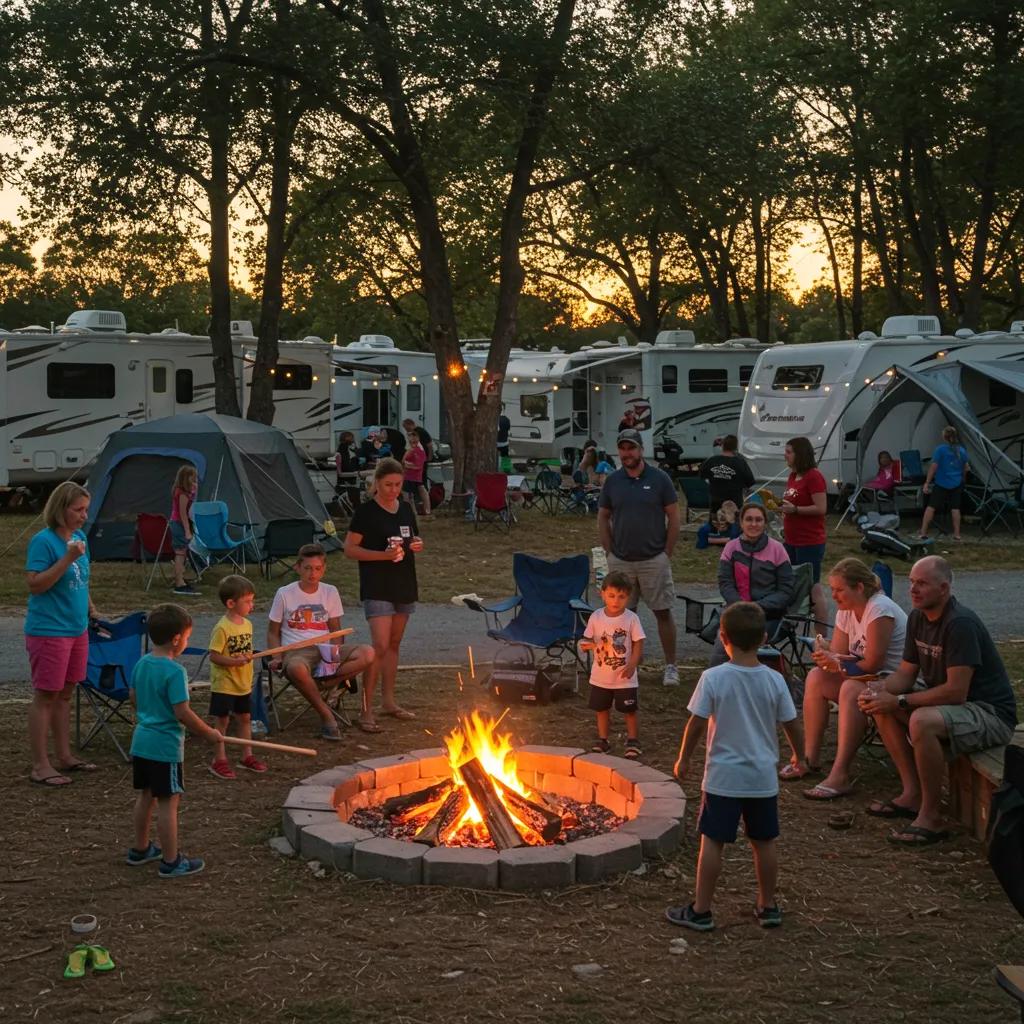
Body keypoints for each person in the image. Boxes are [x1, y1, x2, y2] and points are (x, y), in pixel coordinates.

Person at [859, 555, 1017, 844]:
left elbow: (956, 692)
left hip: (988, 712)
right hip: (953, 705)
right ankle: (911, 795)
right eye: (911, 582)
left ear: (944, 588)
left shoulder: (960, 624)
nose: (913, 590)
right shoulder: (918, 617)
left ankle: (931, 817)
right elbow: (905, 675)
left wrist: (901, 701)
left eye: (922, 584)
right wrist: (879, 689)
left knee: (920, 720)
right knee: (882, 703)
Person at [667, 602, 804, 931]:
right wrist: (801, 755)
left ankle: (701, 910)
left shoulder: (713, 678)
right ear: (765, 637)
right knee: (764, 841)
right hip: (761, 778)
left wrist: (684, 758)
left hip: (723, 778)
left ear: (722, 637)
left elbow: (697, 723)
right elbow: (792, 723)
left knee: (712, 842)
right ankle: (768, 905)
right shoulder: (774, 680)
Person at [789, 558, 907, 799]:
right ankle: (809, 758)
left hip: (893, 680)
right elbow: (840, 653)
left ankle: (840, 774)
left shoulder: (879, 609)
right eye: (832, 590)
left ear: (859, 588)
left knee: (850, 690)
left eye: (839, 589)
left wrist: (837, 661)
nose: (834, 596)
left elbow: (872, 662)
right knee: (815, 676)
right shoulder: (847, 610)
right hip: (867, 676)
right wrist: (826, 654)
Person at [127, 604, 222, 878]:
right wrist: (209, 733)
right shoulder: (174, 672)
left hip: (142, 740)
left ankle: (141, 849)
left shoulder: (142, 662)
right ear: (177, 638)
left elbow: (133, 696)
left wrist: (149, 713)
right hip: (165, 746)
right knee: (168, 802)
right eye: (188, 637)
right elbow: (182, 713)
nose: (188, 642)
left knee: (146, 795)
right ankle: (171, 861)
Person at [25, 481, 100, 787]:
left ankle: (65, 756)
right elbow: (35, 584)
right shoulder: (43, 542)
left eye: (86, 509)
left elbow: (82, 581)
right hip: (49, 629)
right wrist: (66, 559)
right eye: (78, 509)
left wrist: (92, 610)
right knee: (46, 695)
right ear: (61, 509)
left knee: (66, 693)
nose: (84, 516)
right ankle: (40, 765)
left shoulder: (80, 537)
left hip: (76, 628)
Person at [344, 458, 424, 731]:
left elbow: (411, 536)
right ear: (376, 483)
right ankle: (366, 710)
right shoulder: (366, 512)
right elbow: (350, 549)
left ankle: (389, 701)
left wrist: (416, 544)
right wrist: (382, 556)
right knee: (379, 645)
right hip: (377, 584)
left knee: (394, 643)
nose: (393, 490)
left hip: (404, 582)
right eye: (388, 484)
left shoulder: (404, 509)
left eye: (398, 485)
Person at [597, 428, 681, 686]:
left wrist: (666, 553)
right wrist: (609, 551)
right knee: (622, 615)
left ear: (641, 450)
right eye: (622, 448)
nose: (626, 453)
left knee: (663, 612)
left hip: (653, 558)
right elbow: (603, 516)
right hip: (621, 559)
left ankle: (670, 666)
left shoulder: (659, 479)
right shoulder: (613, 481)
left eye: (631, 448)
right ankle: (626, 664)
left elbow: (674, 516)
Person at [267, 544, 375, 741]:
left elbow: (336, 629)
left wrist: (332, 657)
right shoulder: (284, 593)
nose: (312, 573)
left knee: (368, 653)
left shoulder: (330, 591)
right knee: (297, 669)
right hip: (297, 651)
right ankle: (326, 716)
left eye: (317, 568)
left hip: (325, 648)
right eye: (307, 568)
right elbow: (273, 632)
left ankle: (323, 681)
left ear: (323, 569)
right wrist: (277, 657)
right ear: (297, 568)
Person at [707, 501, 793, 666]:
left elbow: (786, 590)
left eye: (758, 520)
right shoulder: (731, 548)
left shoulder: (778, 550)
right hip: (736, 610)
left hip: (768, 615)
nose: (754, 524)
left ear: (765, 523)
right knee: (721, 648)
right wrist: (741, 606)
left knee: (750, 645)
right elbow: (725, 583)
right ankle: (716, 687)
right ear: (741, 522)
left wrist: (757, 607)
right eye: (749, 519)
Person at [578, 572, 646, 759]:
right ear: (603, 594)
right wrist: (586, 645)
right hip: (601, 676)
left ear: (628, 597)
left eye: (621, 597)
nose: (616, 601)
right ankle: (603, 739)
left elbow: (639, 641)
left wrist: (633, 662)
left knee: (629, 709)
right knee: (601, 708)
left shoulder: (631, 619)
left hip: (625, 677)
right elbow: (587, 639)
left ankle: (633, 740)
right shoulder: (596, 617)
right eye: (612, 595)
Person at [207, 575, 263, 780]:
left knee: (245, 718)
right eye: (247, 601)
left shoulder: (247, 624)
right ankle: (219, 760)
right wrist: (234, 662)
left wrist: (245, 660)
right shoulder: (222, 628)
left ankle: (247, 755)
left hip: (242, 682)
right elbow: (214, 656)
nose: (252, 605)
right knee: (222, 720)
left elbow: (245, 651)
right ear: (231, 603)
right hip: (224, 684)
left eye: (252, 600)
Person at [780, 436, 828, 630]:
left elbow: (821, 508)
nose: (785, 455)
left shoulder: (814, 476)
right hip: (791, 539)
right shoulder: (793, 476)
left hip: (809, 541)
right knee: (789, 582)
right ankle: (789, 624)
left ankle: (821, 637)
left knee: (813, 587)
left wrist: (796, 510)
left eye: (789, 451)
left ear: (800, 454)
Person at [919, 426, 970, 542]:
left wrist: (927, 482)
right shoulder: (961, 450)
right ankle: (957, 534)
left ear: (944, 437)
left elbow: (934, 467)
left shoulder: (940, 450)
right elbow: (966, 468)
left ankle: (923, 532)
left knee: (931, 507)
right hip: (956, 483)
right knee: (955, 508)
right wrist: (963, 480)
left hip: (942, 483)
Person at [699, 435, 755, 515]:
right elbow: (750, 482)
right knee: (734, 525)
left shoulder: (711, 461)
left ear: (722, 446)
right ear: (736, 447)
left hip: (715, 502)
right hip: (735, 503)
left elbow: (702, 476)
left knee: (715, 523)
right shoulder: (740, 463)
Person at [169, 463, 199, 596]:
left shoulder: (187, 492)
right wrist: (187, 531)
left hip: (182, 523)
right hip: (179, 524)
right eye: (192, 478)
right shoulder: (181, 493)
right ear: (185, 478)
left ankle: (181, 579)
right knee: (180, 553)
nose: (195, 481)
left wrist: (194, 491)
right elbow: (182, 513)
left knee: (183, 553)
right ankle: (179, 583)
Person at [402, 430, 431, 517]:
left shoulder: (419, 450)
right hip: (408, 475)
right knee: (410, 495)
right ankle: (413, 512)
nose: (411, 440)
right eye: (409, 438)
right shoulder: (411, 449)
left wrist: (408, 465)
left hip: (413, 476)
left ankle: (411, 512)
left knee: (407, 494)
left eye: (413, 438)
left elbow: (418, 465)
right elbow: (403, 461)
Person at [335, 430, 361, 509]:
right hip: (347, 478)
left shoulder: (343, 448)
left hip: (346, 477)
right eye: (352, 438)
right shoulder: (344, 450)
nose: (353, 440)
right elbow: (346, 465)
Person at [497, 405, 512, 473]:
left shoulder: (494, 419)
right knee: (505, 457)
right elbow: (508, 430)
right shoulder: (507, 419)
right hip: (504, 443)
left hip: (495, 443)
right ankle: (507, 470)